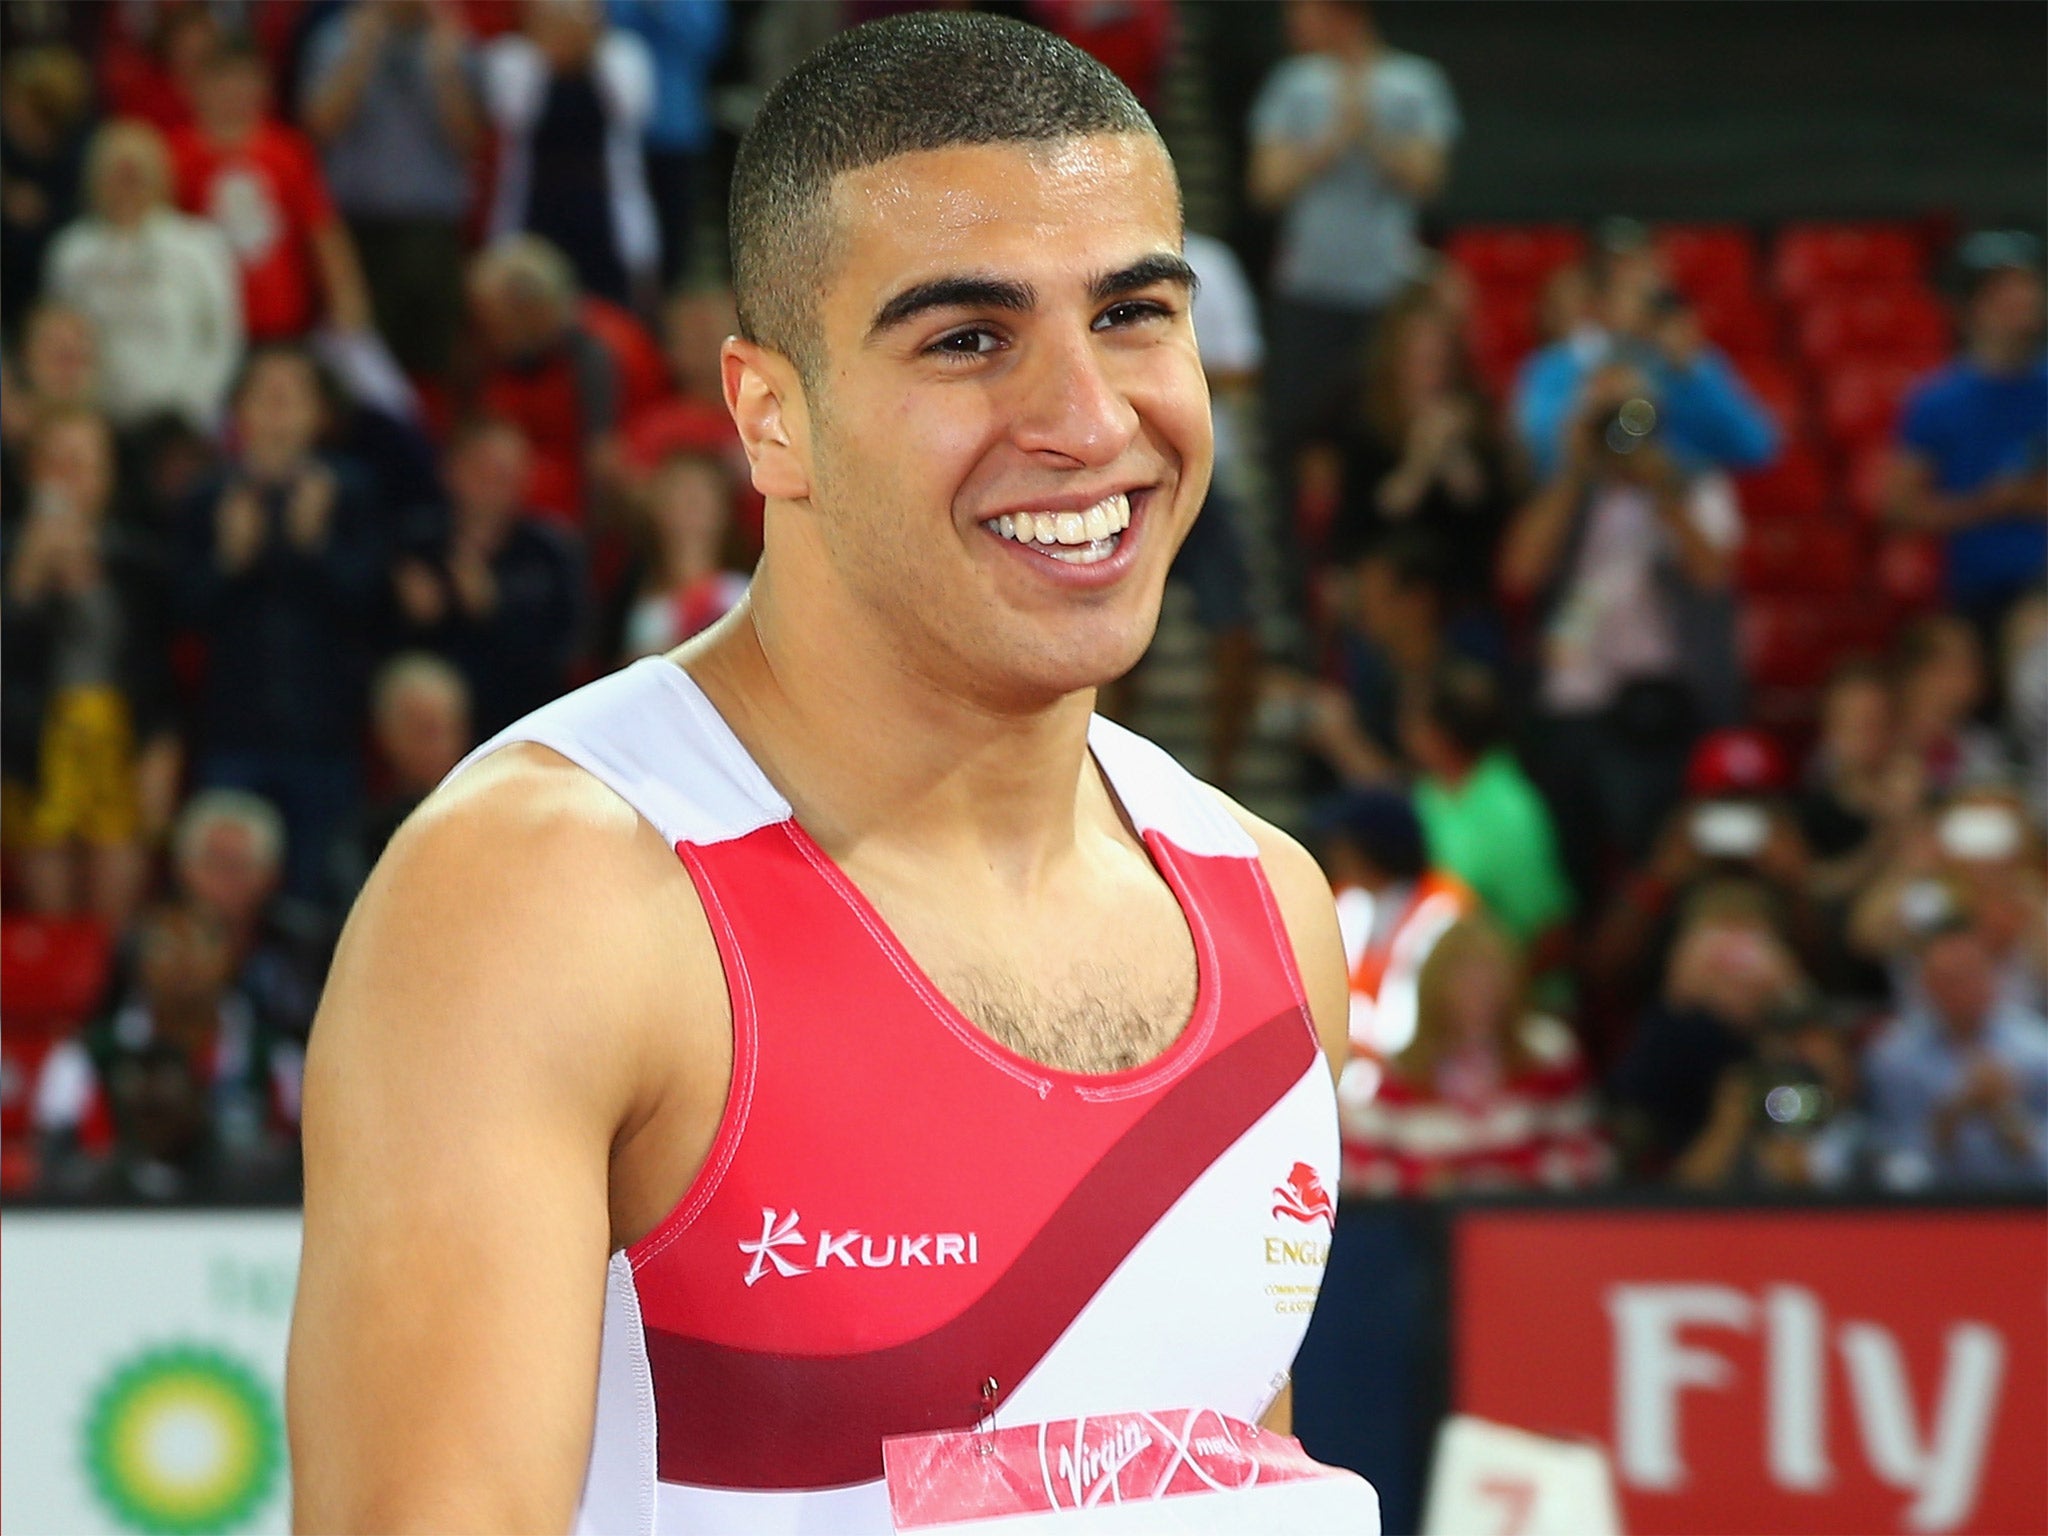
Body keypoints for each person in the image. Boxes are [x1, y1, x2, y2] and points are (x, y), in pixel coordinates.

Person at [288, 14, 1350, 1530]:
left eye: (1132, 315)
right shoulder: (548, 895)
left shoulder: (1271, 910)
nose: (1087, 418)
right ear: (767, 414)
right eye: (968, 339)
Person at [177, 346, 385, 902]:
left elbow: (370, 606)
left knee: (316, 898)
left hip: (324, 735)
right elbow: (184, 613)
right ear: (238, 413)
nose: (276, 412)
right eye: (262, 397)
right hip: (231, 731)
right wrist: (229, 557)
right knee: (221, 896)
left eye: (291, 398)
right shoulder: (206, 498)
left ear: (318, 414)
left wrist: (316, 545)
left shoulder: (351, 492)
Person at [1247, 0, 1458, 529]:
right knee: (1293, 436)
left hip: (1385, 296)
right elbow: (1266, 185)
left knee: (1377, 431)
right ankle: (1297, 581)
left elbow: (1428, 178)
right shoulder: (1293, 83)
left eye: (1304, 11)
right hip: (1308, 293)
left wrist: (1371, 134)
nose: (1291, 22)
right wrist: (1332, 139)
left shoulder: (1415, 82)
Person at [0, 409, 178, 929]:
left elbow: (158, 669)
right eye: (57, 462)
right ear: (32, 472)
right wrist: (25, 584)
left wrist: (162, 747)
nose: (70, 476)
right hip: (28, 740)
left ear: (109, 476)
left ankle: (114, 1010)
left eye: (84, 463)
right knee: (50, 919)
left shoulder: (140, 559)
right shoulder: (9, 555)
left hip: (121, 738)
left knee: (114, 923)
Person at [1338, 916, 1608, 1195]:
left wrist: (1517, 1179)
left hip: (1532, 1229)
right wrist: (1422, 1182)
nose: (1477, 993)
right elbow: (1356, 1170)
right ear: (1434, 988)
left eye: (1489, 979)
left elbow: (1592, 1156)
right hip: (1428, 1231)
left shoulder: (1548, 1055)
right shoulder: (1397, 1075)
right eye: (1463, 980)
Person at [299, 0, 484, 382]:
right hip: (356, 229)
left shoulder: (453, 42)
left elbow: (471, 139)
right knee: (364, 365)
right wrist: (362, 49)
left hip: (432, 230)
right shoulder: (336, 38)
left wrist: (445, 68)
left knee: (434, 363)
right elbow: (319, 125)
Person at [1882, 235, 2046, 626]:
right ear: (1970, 306)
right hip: (1974, 595)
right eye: (2002, 291)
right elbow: (1898, 508)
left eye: (2027, 287)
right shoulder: (1935, 402)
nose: (2020, 301)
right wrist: (1988, 504)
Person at [42, 119, 243, 436]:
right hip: (98, 425)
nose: (127, 183)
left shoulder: (201, 246)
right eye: (117, 173)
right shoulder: (71, 252)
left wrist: (194, 407)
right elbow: (56, 342)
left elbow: (223, 338)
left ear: (161, 176)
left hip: (182, 422)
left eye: (136, 173)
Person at [170, 35, 374, 342]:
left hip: (281, 321)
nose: (234, 91)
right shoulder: (175, 155)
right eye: (223, 80)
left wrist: (347, 302)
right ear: (197, 86)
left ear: (263, 86)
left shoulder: (287, 152)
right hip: (205, 322)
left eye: (245, 79)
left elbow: (322, 231)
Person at [391, 415, 583, 735]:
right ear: (451, 469)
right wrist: (408, 613)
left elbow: (566, 650)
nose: (497, 482)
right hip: (428, 725)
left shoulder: (549, 551)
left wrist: (496, 607)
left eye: (508, 471)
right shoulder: (415, 542)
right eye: (485, 469)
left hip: (521, 720)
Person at [482, 0, 660, 311]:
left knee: (609, 309)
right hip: (537, 210)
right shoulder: (512, 56)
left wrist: (587, 48)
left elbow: (634, 108)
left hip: (603, 212)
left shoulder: (624, 53)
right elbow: (513, 113)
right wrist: (549, 51)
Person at [1865, 918, 2048, 1190]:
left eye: (1970, 976)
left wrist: (2004, 1112)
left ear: (1991, 980)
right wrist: (1956, 1109)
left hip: (2028, 1202)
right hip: (1935, 1207)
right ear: (1925, 986)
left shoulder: (2037, 1049)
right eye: (1948, 981)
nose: (1961, 991)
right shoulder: (1894, 1056)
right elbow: (1897, 1160)